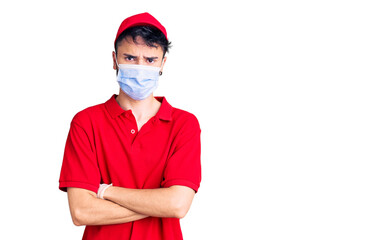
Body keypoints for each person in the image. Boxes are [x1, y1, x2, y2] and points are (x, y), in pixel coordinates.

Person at [59, 12, 201, 240]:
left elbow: (177, 205)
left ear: (163, 63)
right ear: (114, 60)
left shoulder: (184, 125)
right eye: (130, 58)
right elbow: (81, 211)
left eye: (150, 60)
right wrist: (156, 204)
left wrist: (105, 191)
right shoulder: (86, 122)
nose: (140, 67)